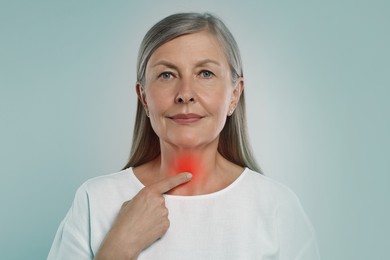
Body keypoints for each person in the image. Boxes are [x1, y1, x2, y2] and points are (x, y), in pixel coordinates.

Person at [48, 12, 321, 260]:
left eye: (205, 73)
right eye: (167, 75)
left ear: (234, 95)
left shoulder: (277, 208)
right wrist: (119, 247)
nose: (185, 93)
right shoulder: (94, 201)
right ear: (143, 97)